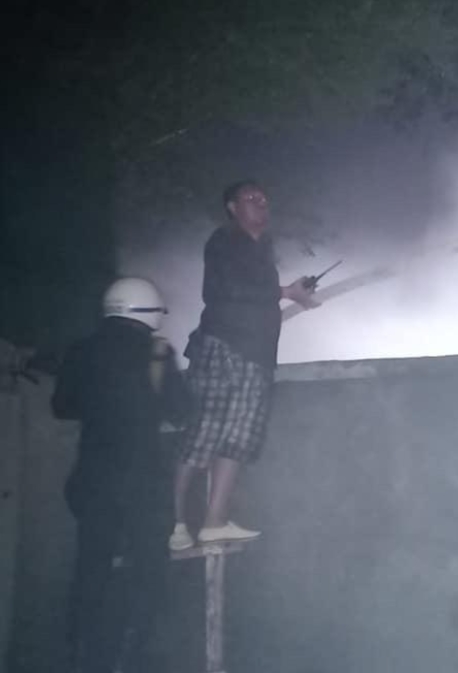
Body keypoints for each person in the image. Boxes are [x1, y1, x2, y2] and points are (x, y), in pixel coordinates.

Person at [52, 277, 190, 673]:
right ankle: (137, 653)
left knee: (91, 567)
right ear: (149, 312)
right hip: (143, 483)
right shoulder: (157, 353)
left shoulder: (82, 351)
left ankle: (82, 653)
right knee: (148, 569)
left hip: (93, 479)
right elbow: (182, 411)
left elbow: (62, 406)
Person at [169, 180, 316, 551]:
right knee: (202, 434)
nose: (260, 203)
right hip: (223, 348)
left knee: (239, 438)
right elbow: (221, 292)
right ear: (232, 208)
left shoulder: (262, 247)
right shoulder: (225, 241)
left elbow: (259, 297)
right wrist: (284, 292)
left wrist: (294, 295)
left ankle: (214, 521)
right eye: (250, 198)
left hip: (256, 355)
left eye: (264, 199)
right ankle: (174, 522)